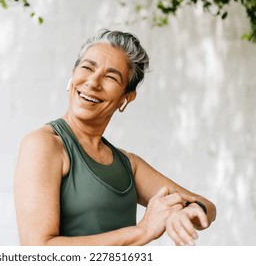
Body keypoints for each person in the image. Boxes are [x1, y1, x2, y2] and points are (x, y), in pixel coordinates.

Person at [14, 29, 216, 246]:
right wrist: (143, 231)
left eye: (111, 77)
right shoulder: (44, 144)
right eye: (87, 67)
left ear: (126, 98)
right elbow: (37, 249)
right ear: (72, 75)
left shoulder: (128, 164)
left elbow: (206, 206)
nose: (92, 82)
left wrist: (184, 212)